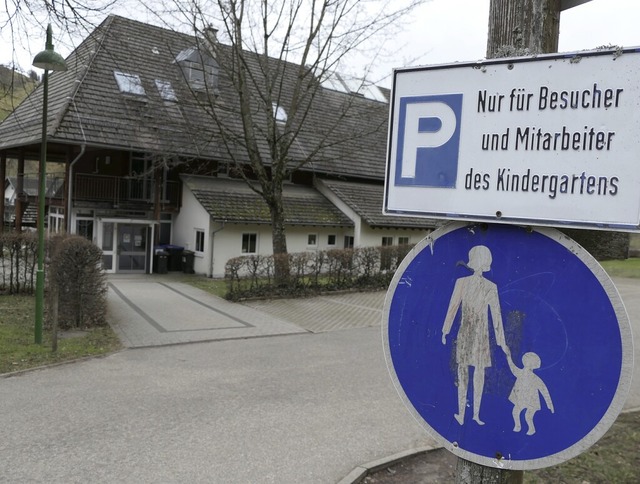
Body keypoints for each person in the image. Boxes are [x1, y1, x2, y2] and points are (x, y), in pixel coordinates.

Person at [441, 245, 508, 425]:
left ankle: (472, 414)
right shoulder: (463, 283)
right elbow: (453, 307)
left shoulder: (488, 287)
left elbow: (496, 315)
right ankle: (464, 414)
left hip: (478, 334)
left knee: (474, 373)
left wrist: (501, 339)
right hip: (469, 332)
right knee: (467, 371)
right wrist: (445, 329)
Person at [505, 351, 554, 435]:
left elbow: (544, 391)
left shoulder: (535, 378)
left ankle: (531, 429)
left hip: (532, 401)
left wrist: (550, 405)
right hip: (521, 399)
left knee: (528, 416)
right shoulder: (520, 373)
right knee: (515, 411)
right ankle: (517, 425)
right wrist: (508, 356)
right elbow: (512, 367)